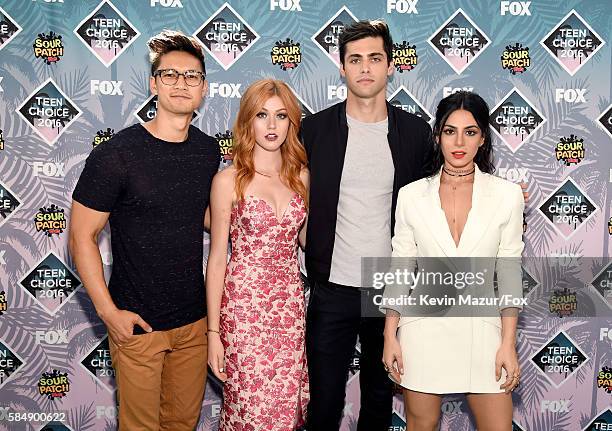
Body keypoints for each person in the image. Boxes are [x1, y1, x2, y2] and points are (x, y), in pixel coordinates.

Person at [69, 30, 219, 430]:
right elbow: (80, 237)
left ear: (204, 88)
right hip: (138, 324)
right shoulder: (116, 154)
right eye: (170, 75)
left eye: (192, 77)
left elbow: (200, 214)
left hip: (194, 323)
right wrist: (108, 313)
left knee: (183, 424)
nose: (181, 84)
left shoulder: (208, 151)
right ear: (153, 83)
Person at [301, 20, 432, 430]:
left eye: (375, 58)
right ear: (341, 67)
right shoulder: (314, 129)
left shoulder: (414, 132)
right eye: (354, 59)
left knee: (379, 398)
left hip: (389, 286)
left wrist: (499, 190)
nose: (365, 68)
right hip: (332, 284)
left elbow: (444, 186)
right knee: (323, 403)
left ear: (390, 65)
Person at [382, 91, 524, 431]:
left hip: (484, 329)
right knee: (421, 425)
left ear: (483, 138)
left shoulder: (507, 195)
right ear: (437, 136)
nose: (459, 141)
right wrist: (390, 335)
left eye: (470, 131)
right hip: (423, 329)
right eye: (450, 131)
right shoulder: (411, 195)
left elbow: (508, 271)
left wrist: (507, 342)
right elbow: (402, 266)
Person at [206, 78, 310, 430]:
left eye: (281, 116)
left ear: (291, 122)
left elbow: (311, 243)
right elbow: (218, 257)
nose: (271, 125)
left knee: (285, 409)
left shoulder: (302, 178)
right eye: (262, 115)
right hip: (244, 309)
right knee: (249, 408)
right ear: (248, 120)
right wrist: (213, 333)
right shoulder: (229, 180)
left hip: (290, 308)